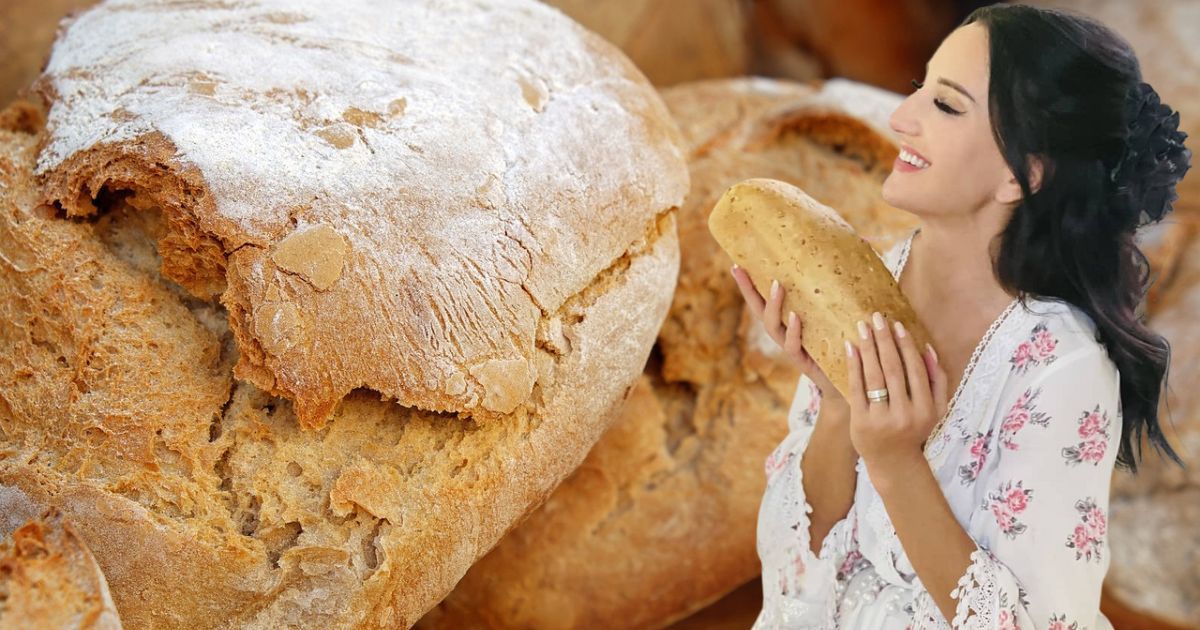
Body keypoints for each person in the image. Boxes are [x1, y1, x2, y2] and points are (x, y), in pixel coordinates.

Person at [733, 4, 1191, 628]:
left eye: (945, 106)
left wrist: (897, 461)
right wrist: (837, 407)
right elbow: (791, 577)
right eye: (921, 87)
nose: (900, 117)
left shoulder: (1063, 369)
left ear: (1022, 173)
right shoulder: (868, 283)